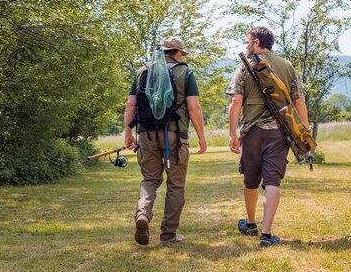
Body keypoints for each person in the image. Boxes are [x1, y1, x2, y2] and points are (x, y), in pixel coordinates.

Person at [226, 26, 309, 248]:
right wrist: (304, 132)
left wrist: (232, 133)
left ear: (256, 41)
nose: (246, 45)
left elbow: (236, 102)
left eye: (248, 41)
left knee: (250, 180)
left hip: (252, 132)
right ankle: (266, 233)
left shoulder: (244, 66)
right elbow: (299, 101)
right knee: (273, 181)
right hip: (279, 133)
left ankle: (251, 223)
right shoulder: (287, 65)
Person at [124, 37, 207, 246]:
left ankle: (142, 215)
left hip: (146, 134)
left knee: (149, 179)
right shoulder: (185, 73)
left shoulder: (143, 71)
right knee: (175, 184)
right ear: (178, 53)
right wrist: (201, 137)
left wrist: (128, 133)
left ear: (162, 52)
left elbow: (131, 104)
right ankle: (168, 234)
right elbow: (194, 108)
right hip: (175, 136)